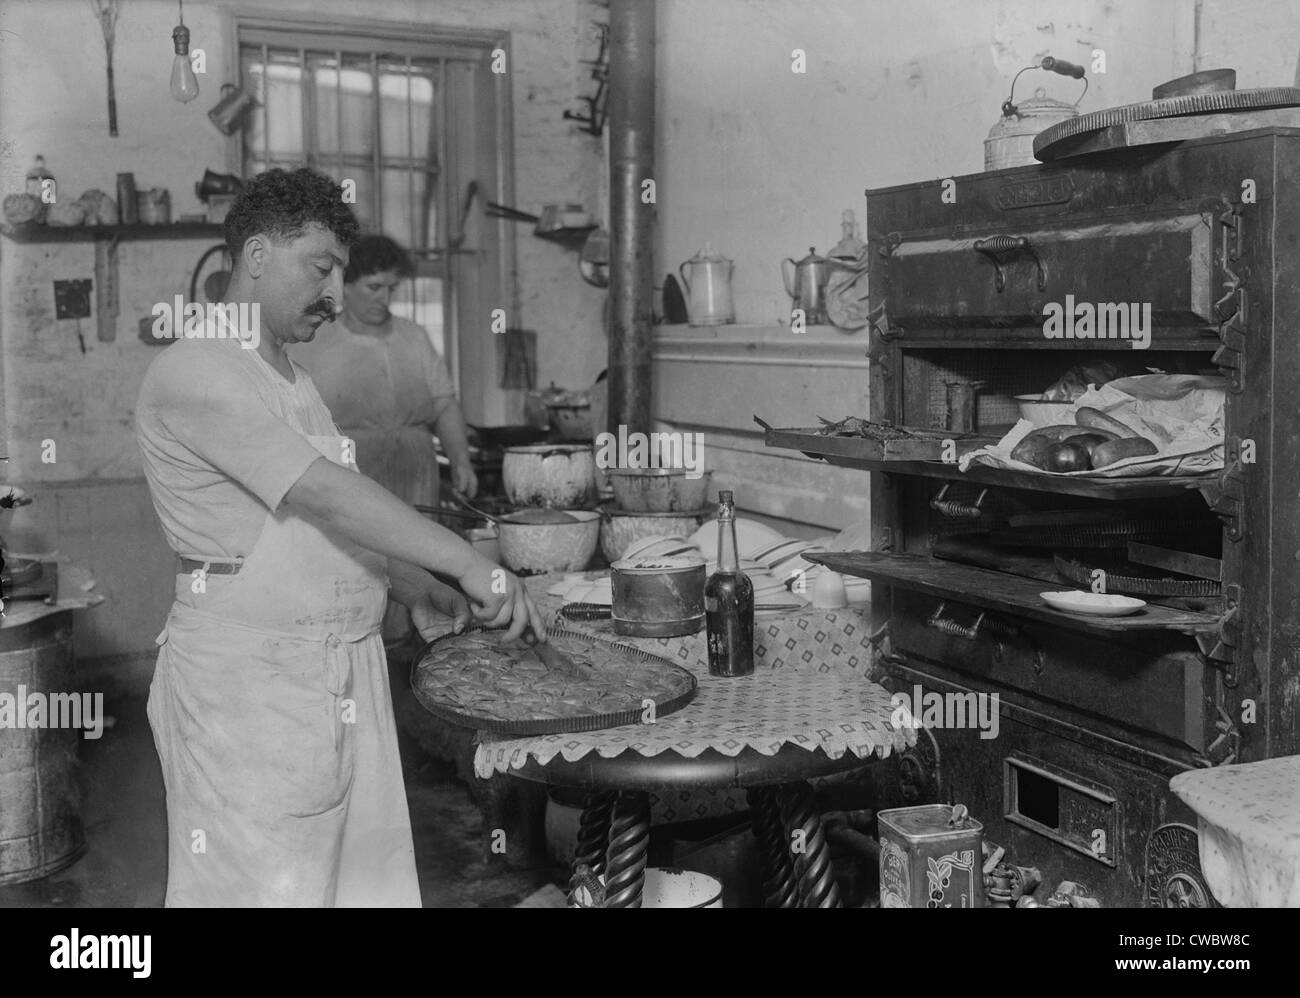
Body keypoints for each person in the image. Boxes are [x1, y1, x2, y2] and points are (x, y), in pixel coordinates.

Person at [134, 167, 545, 908]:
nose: (332, 294)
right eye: (319, 269)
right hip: (253, 690)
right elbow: (320, 489)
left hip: (331, 677)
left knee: (357, 890)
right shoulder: (196, 370)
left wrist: (407, 581)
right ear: (257, 255)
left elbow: (324, 519)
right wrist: (470, 567)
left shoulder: (291, 379)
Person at [292, 234, 478, 506]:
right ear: (346, 284)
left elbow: (444, 404)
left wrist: (460, 459)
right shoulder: (315, 342)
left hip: (417, 476)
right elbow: (294, 419)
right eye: (374, 287)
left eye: (392, 288)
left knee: (417, 545)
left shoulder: (414, 336)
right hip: (349, 481)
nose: (384, 298)